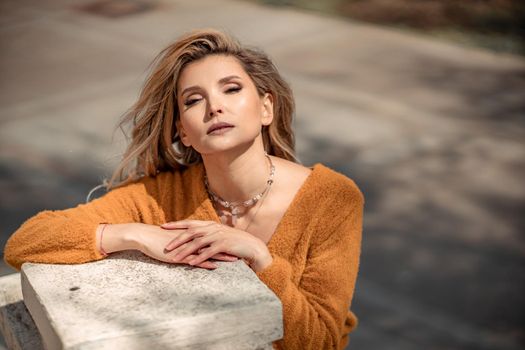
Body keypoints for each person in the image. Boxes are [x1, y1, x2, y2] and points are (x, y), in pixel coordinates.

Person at [3, 28, 364, 349]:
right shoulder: (163, 195)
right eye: (193, 100)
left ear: (266, 107)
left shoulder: (332, 198)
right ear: (184, 132)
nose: (215, 107)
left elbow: (321, 342)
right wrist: (137, 234)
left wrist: (261, 258)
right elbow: (26, 241)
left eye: (232, 89)